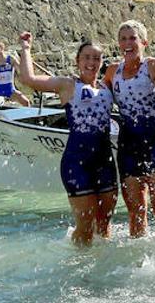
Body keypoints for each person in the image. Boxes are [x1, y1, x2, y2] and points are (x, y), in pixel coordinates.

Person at [17, 32, 119, 245]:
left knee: (104, 225)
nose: (91, 62)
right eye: (87, 58)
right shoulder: (67, 85)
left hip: (105, 162)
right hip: (77, 163)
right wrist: (26, 48)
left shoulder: (107, 87)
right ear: (78, 61)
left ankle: (104, 270)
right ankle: (79, 271)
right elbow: (29, 79)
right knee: (85, 227)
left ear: (101, 63)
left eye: (96, 58)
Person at [106, 20, 155, 237]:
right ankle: (138, 257)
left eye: (133, 38)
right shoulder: (112, 71)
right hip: (128, 140)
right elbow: (96, 95)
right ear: (118, 44)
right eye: (124, 39)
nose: (128, 43)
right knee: (136, 210)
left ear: (144, 42)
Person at [0, 40, 32, 107]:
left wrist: (25, 61)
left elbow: (21, 70)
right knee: (1, 109)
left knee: (26, 102)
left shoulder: (11, 59)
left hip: (10, 89)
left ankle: (29, 116)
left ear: (2, 48)